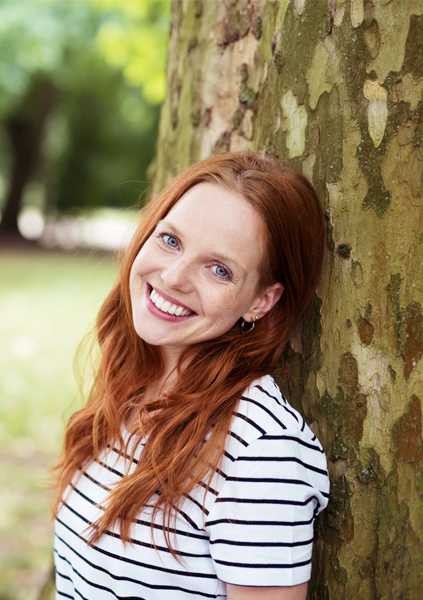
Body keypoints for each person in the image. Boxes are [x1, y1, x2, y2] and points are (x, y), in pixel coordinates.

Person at [52, 152, 330, 600]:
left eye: (219, 269)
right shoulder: (134, 386)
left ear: (262, 301)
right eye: (170, 240)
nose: (174, 276)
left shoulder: (260, 452)